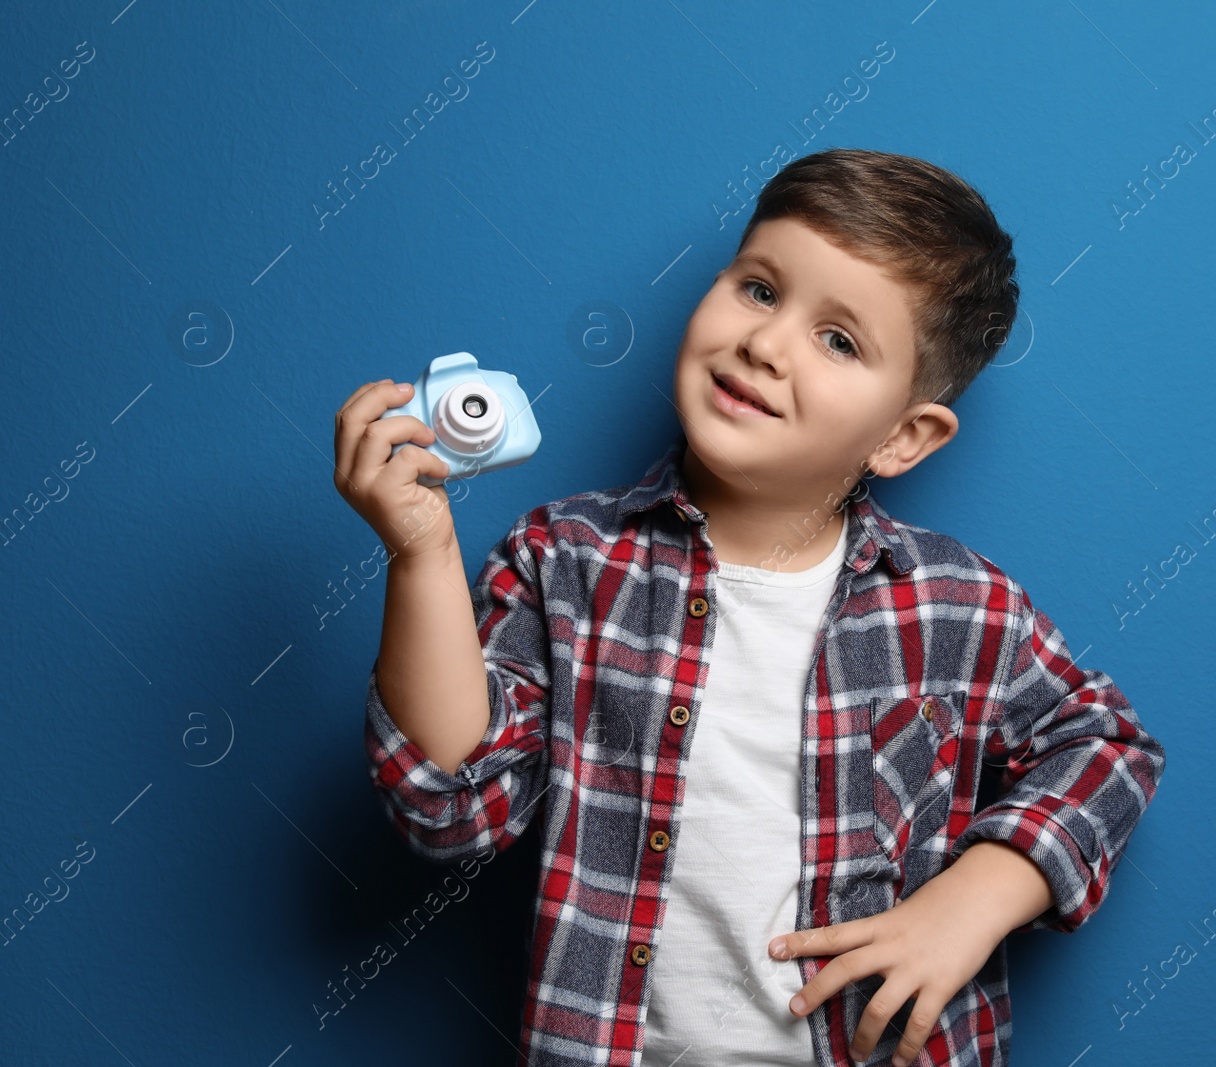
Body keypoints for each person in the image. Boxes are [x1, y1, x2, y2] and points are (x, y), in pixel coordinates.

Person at [333, 147, 1166, 1067]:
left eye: (839, 339)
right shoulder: (563, 562)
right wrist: (422, 554)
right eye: (760, 289)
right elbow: (455, 809)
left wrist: (977, 897)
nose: (765, 344)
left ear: (901, 436)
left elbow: (1110, 746)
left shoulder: (959, 607)